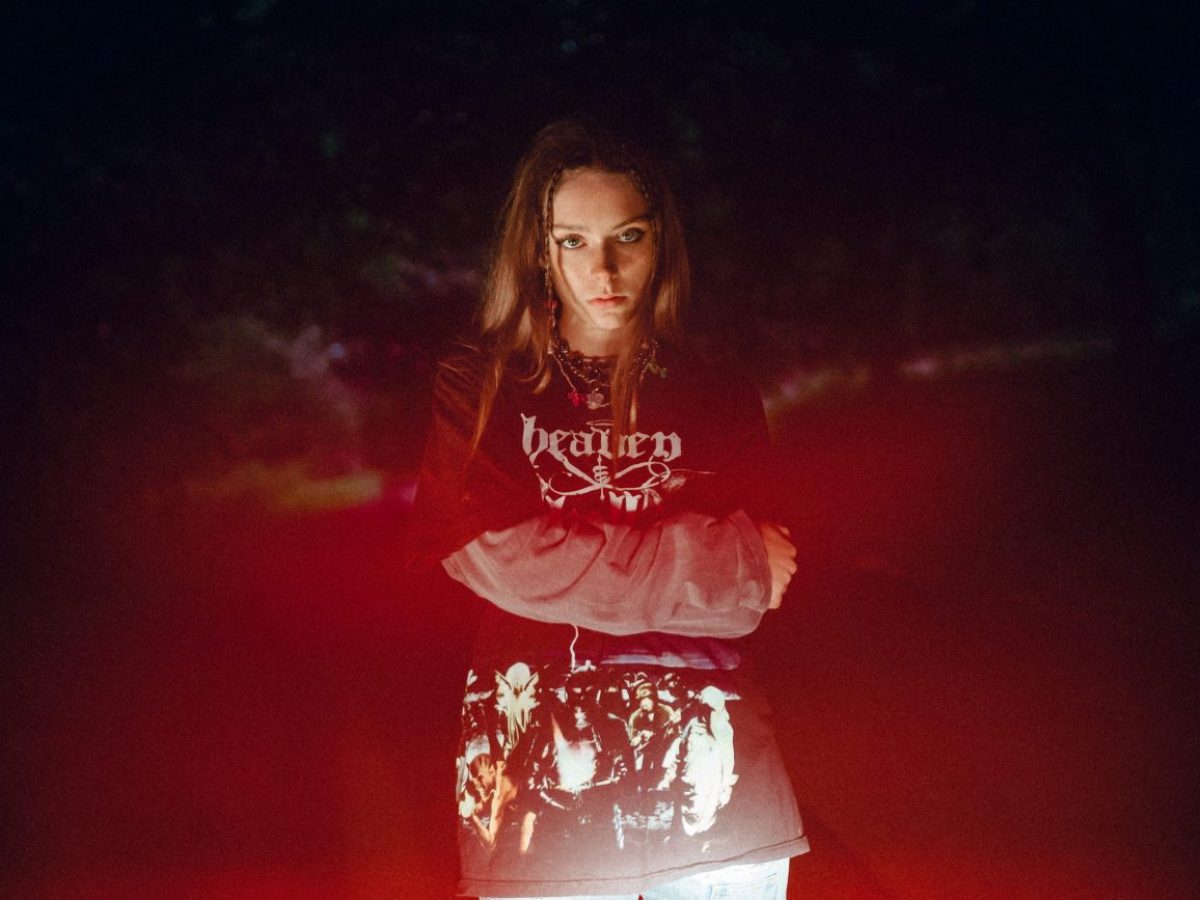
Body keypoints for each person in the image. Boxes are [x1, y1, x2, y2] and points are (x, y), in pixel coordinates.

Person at [410, 119, 808, 899]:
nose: (604, 269)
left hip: (719, 797)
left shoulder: (718, 391)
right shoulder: (482, 386)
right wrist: (711, 561)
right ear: (539, 250)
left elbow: (764, 586)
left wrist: (570, 559)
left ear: (661, 242)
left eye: (628, 235)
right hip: (540, 805)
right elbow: (492, 554)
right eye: (573, 241)